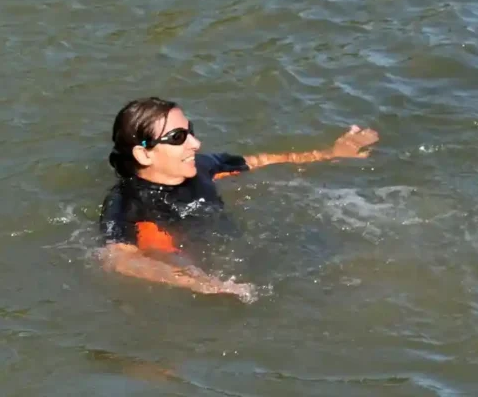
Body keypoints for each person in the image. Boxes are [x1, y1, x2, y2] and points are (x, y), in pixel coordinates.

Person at [98, 97, 379, 302]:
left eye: (190, 131)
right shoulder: (126, 203)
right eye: (178, 137)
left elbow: (262, 161)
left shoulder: (202, 167)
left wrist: (330, 153)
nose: (195, 143)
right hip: (191, 272)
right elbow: (117, 260)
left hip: (236, 252)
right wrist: (202, 284)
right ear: (144, 154)